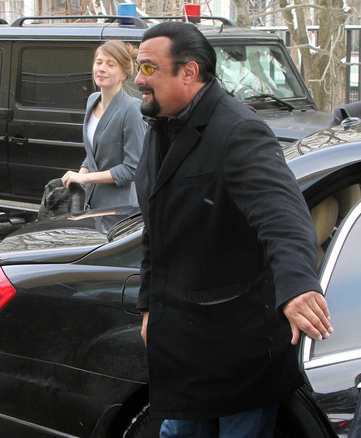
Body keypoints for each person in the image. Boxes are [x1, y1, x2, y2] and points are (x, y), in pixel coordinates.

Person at [133, 22, 333, 437]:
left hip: (238, 347)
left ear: (189, 72)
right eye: (138, 67)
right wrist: (151, 304)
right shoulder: (161, 127)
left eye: (149, 68)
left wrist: (297, 285)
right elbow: (156, 229)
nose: (138, 79)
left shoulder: (237, 130)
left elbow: (281, 213)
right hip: (186, 346)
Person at [61, 40, 145, 211]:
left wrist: (86, 178)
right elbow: (93, 154)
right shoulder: (92, 100)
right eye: (98, 62)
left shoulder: (132, 109)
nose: (101, 68)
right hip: (91, 202)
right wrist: (79, 176)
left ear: (123, 73)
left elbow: (132, 169)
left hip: (121, 208)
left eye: (110, 64)